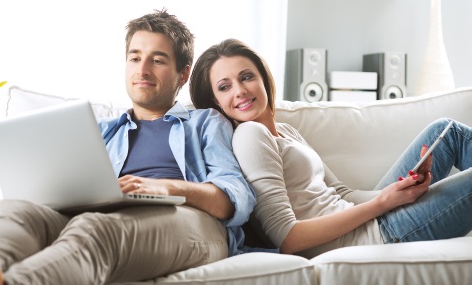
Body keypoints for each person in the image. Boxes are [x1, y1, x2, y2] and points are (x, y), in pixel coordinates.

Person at [0, 12, 256, 285]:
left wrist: (170, 189)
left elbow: (235, 197)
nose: (142, 70)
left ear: (183, 74)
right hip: (108, 215)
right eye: (135, 58)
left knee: (96, 229)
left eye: (157, 60)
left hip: (192, 221)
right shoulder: (100, 129)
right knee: (17, 211)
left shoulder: (205, 122)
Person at [189, 38, 472, 258]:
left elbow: (342, 194)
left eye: (247, 77)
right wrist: (382, 204)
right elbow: (287, 238)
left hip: (371, 219)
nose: (239, 90)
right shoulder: (250, 135)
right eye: (225, 87)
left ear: (263, 78)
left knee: (447, 132)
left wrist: (394, 194)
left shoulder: (286, 131)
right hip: (372, 237)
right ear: (215, 102)